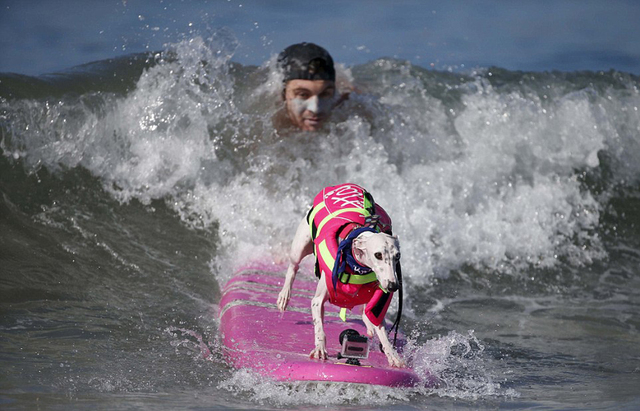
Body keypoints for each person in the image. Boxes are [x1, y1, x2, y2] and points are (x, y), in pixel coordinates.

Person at [275, 42, 347, 131]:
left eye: (325, 94)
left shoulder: (347, 107)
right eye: (303, 95)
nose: (316, 109)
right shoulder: (268, 126)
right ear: (283, 94)